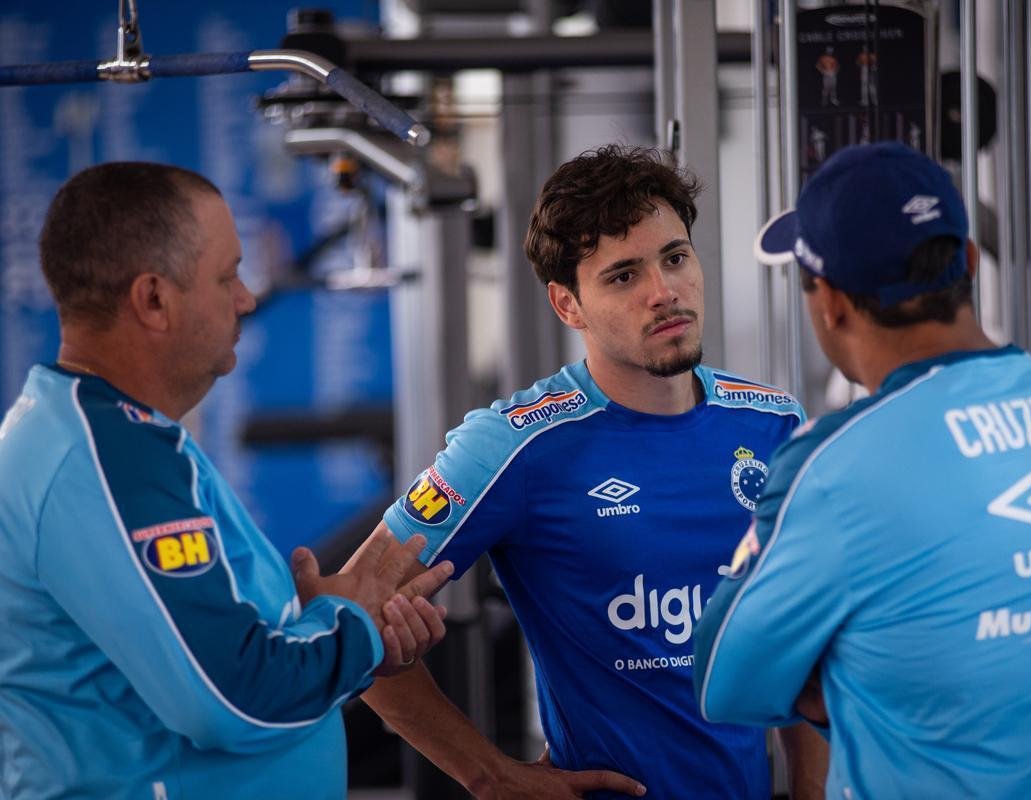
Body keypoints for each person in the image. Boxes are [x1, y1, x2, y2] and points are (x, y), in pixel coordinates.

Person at [694, 142, 1031, 797]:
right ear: (969, 263)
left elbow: (725, 679)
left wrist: (844, 675)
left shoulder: (836, 464)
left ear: (829, 301)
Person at [358, 144, 827, 798]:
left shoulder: (773, 425)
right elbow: (350, 612)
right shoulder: (513, 443)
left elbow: (796, 636)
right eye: (623, 275)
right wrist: (489, 775)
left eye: (674, 258)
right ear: (567, 304)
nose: (664, 293)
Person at [0, 162, 454, 800]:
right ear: (154, 299)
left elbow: (221, 659)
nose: (245, 297)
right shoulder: (106, 456)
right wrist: (352, 625)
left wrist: (334, 631)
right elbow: (231, 698)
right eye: (227, 275)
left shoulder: (110, 438)